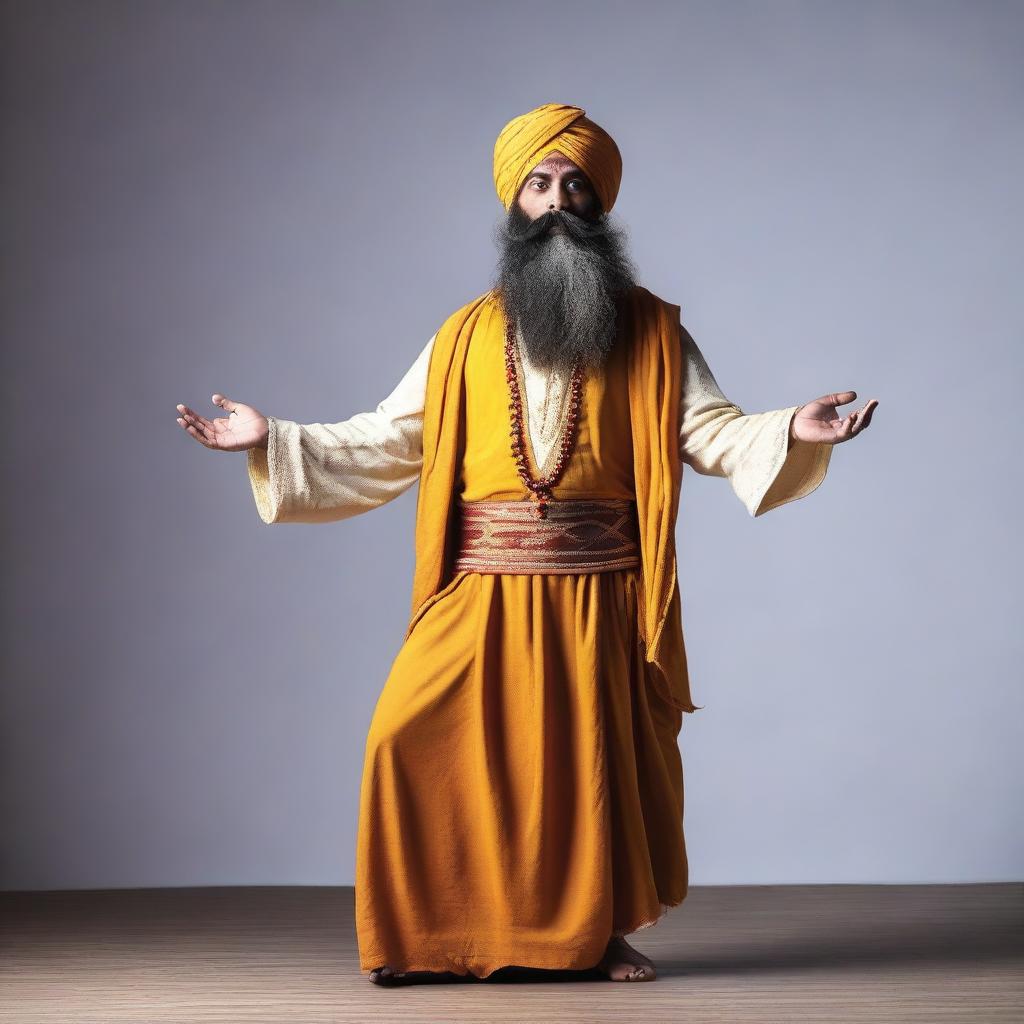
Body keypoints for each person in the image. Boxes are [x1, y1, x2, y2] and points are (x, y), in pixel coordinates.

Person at [175, 102, 877, 985]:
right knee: (404, 737)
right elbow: (388, 440)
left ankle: (596, 935)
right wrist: (272, 438)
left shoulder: (655, 331)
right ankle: (426, 937)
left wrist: (796, 431)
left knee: (586, 778)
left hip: (599, 595)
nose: (556, 202)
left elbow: (715, 433)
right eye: (539, 185)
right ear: (515, 204)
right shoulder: (463, 335)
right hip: (480, 589)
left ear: (599, 207)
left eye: (574, 187)